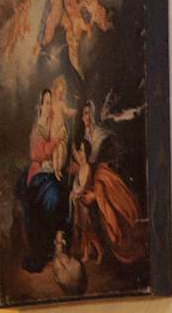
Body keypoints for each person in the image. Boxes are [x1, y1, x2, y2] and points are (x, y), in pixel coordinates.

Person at [69, 99, 143, 264]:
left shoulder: (102, 135)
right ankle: (88, 248)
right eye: (84, 114)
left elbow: (113, 159)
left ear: (93, 115)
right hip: (86, 178)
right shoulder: (80, 138)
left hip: (100, 177)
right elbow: (77, 163)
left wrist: (95, 192)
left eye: (89, 113)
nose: (87, 117)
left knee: (103, 182)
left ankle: (113, 240)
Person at [13, 88, 68, 272]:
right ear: (40, 106)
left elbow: (60, 149)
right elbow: (37, 154)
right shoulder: (37, 128)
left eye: (51, 103)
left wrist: (60, 144)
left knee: (60, 193)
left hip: (51, 173)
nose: (49, 106)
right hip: (38, 175)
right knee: (51, 196)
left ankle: (56, 245)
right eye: (46, 102)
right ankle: (42, 251)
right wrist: (55, 142)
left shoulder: (53, 125)